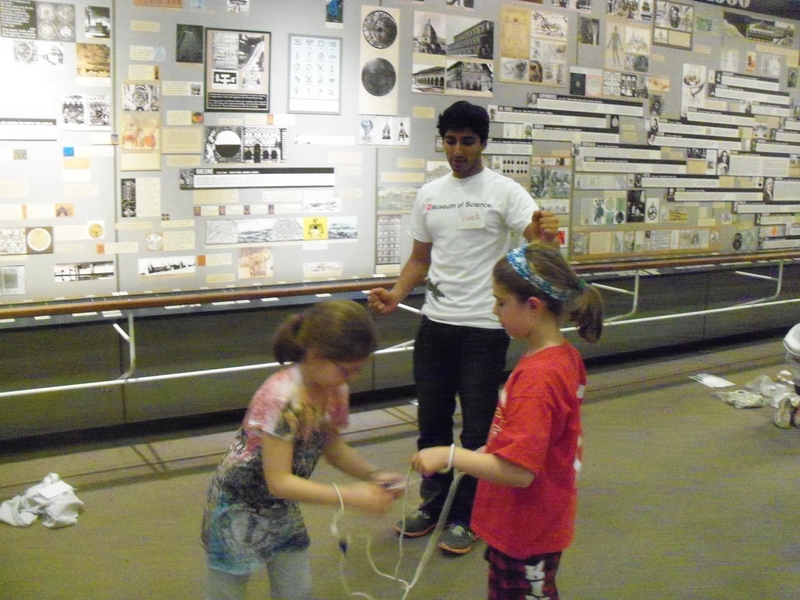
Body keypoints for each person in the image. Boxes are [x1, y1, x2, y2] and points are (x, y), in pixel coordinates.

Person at [368, 100, 558, 555]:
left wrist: (546, 232)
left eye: (467, 141)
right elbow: (419, 259)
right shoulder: (429, 193)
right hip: (435, 325)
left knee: (477, 431)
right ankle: (434, 506)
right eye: (450, 140)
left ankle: (468, 515)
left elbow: (537, 238)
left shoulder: (505, 192)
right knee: (431, 421)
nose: (458, 150)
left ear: (482, 143)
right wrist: (397, 293)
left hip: (484, 329)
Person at [411, 241, 604, 599]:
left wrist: (450, 456)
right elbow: (541, 437)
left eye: (501, 302)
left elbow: (520, 472)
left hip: (527, 528)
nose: (494, 309)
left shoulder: (539, 378)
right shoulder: (561, 357)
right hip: (529, 519)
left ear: (533, 306)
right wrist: (491, 449)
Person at [201, 300, 403, 600]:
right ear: (315, 355)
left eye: (358, 369)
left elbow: (333, 448)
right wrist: (352, 495)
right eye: (347, 370)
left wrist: (374, 475)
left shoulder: (335, 391)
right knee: (228, 587)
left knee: (296, 588)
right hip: (239, 503)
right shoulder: (284, 399)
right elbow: (279, 481)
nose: (352, 378)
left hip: (281, 503)